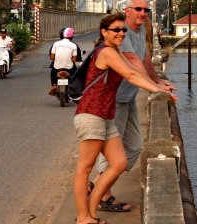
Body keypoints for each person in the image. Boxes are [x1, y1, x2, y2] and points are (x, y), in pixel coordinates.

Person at [72, 12, 176, 224]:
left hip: (106, 116)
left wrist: (157, 84)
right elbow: (130, 76)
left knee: (118, 163)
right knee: (85, 168)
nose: (121, 33)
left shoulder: (115, 51)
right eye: (116, 30)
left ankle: (92, 210)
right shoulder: (106, 52)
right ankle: (83, 218)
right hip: (91, 114)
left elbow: (135, 69)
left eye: (123, 30)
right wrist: (158, 91)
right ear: (104, 32)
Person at [49, 27, 80, 96]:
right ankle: (73, 87)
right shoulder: (74, 45)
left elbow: (51, 57)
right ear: (72, 36)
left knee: (53, 73)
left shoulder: (56, 43)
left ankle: (54, 85)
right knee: (75, 75)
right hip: (69, 68)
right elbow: (74, 60)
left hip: (57, 67)